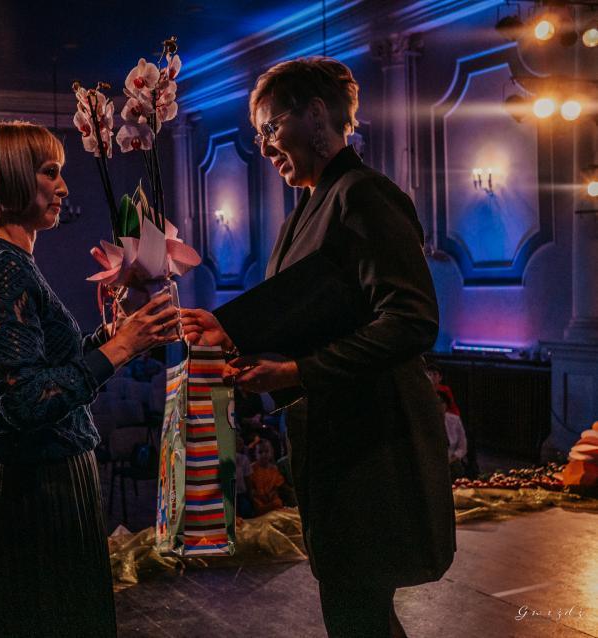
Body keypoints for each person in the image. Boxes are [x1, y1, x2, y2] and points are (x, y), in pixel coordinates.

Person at [181, 57, 455, 637]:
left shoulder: (364, 194)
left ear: (315, 113)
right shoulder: (302, 215)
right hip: (329, 443)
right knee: (357, 608)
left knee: (356, 609)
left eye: (270, 128)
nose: (263, 147)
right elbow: (307, 312)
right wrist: (228, 331)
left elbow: (411, 321)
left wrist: (296, 371)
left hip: (372, 445)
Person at [0, 121, 179, 637]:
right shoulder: (2, 269)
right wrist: (122, 348)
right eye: (50, 172)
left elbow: (45, 370)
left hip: (37, 488)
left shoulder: (4, 263)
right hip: (34, 496)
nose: (63, 187)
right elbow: (26, 402)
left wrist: (115, 337)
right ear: (12, 178)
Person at [250, 439, 286, 515]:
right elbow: (250, 488)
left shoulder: (274, 469)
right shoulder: (252, 469)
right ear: (255, 454)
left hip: (271, 498)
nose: (264, 455)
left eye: (266, 451)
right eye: (260, 452)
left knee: (278, 502)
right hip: (258, 499)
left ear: (271, 452)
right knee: (257, 505)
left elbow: (277, 486)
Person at [438, 391, 467, 481]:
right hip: (433, 462)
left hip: (451, 460)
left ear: (446, 405)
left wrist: (453, 458)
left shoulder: (454, 420)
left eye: (441, 402)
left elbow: (462, 447)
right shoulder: (425, 423)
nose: (438, 405)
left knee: (456, 467)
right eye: (435, 402)